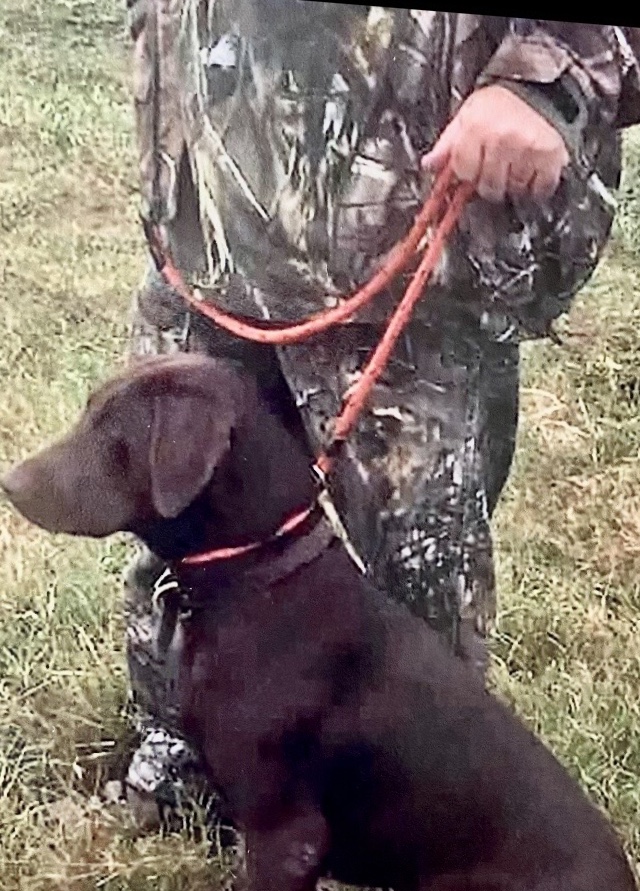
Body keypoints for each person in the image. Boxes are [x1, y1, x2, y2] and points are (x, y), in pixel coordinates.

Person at [121, 5, 640, 830]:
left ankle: (409, 813)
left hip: (406, 226)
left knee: (413, 569)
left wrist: (549, 74)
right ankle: (190, 745)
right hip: (204, 210)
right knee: (178, 509)